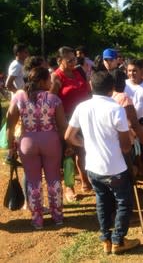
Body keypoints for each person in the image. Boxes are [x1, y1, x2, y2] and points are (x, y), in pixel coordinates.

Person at [65, 71, 140, 254]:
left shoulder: (82, 107)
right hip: (114, 167)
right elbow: (125, 146)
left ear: (91, 86)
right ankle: (118, 241)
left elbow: (69, 136)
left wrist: (86, 144)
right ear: (112, 88)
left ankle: (106, 239)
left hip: (92, 166)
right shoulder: (116, 109)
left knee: (102, 201)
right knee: (123, 202)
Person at [6, 67, 66, 229]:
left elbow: (10, 122)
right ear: (42, 81)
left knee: (33, 181)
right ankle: (57, 216)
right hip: (50, 141)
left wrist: (10, 143)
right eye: (49, 79)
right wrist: (67, 146)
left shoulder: (19, 96)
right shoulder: (53, 99)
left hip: (27, 142)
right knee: (53, 179)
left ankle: (37, 219)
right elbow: (62, 126)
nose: (51, 82)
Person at [51, 46, 91, 201]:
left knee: (83, 150)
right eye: (69, 60)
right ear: (59, 61)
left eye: (74, 59)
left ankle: (85, 181)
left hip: (84, 117)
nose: (74, 62)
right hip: (66, 120)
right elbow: (52, 101)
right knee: (68, 153)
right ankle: (69, 187)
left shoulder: (79, 71)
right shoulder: (56, 77)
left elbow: (88, 91)